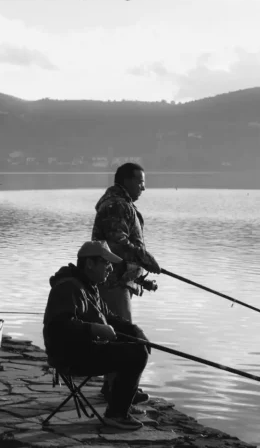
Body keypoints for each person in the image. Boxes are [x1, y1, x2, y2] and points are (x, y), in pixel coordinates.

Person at [43, 240, 151, 431]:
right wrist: (94, 329)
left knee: (135, 344)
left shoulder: (90, 286)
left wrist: (135, 330)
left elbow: (109, 317)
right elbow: (59, 328)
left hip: (84, 348)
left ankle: (121, 403)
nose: (110, 268)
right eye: (106, 263)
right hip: (69, 355)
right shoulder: (68, 288)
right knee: (136, 354)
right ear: (90, 264)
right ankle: (117, 413)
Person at [92, 162, 161, 399]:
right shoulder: (116, 206)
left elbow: (122, 250)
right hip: (112, 283)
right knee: (123, 337)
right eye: (140, 182)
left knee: (119, 335)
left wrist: (141, 279)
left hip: (119, 281)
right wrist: (146, 258)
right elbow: (117, 244)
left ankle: (113, 385)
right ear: (127, 181)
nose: (143, 187)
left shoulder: (121, 204)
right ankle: (117, 390)